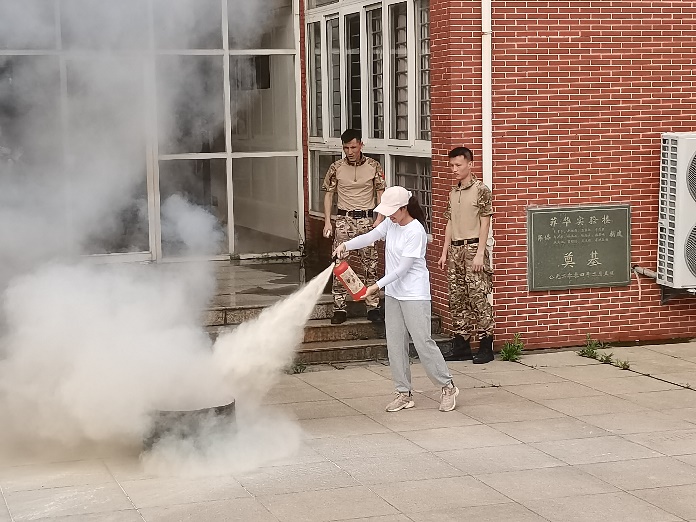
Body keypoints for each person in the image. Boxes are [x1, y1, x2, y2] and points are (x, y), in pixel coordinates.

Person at [333, 186, 459, 413]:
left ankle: (447, 387)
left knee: (422, 342)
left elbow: (402, 269)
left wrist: (375, 287)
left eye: (392, 211)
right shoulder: (391, 223)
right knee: (395, 344)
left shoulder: (415, 231)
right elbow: (371, 236)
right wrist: (346, 245)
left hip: (414, 295)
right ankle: (403, 393)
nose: (388, 215)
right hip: (393, 294)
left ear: (403, 208)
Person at [438, 147, 495, 364]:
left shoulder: (481, 190)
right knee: (457, 298)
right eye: (451, 165)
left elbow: (485, 223)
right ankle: (461, 344)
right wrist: (444, 251)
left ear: (470, 164)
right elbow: (449, 222)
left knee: (478, 297)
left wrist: (480, 253)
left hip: (473, 248)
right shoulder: (453, 192)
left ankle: (486, 344)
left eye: (458, 165)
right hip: (455, 250)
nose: (454, 169)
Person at [323, 129, 386, 325]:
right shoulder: (336, 167)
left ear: (361, 145)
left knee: (371, 265)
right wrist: (328, 221)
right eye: (346, 148)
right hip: (344, 220)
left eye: (353, 147)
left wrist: (380, 218)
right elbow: (328, 195)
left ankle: (373, 306)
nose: (350, 152)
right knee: (340, 264)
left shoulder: (374, 166)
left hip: (367, 220)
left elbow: (380, 193)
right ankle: (339, 308)